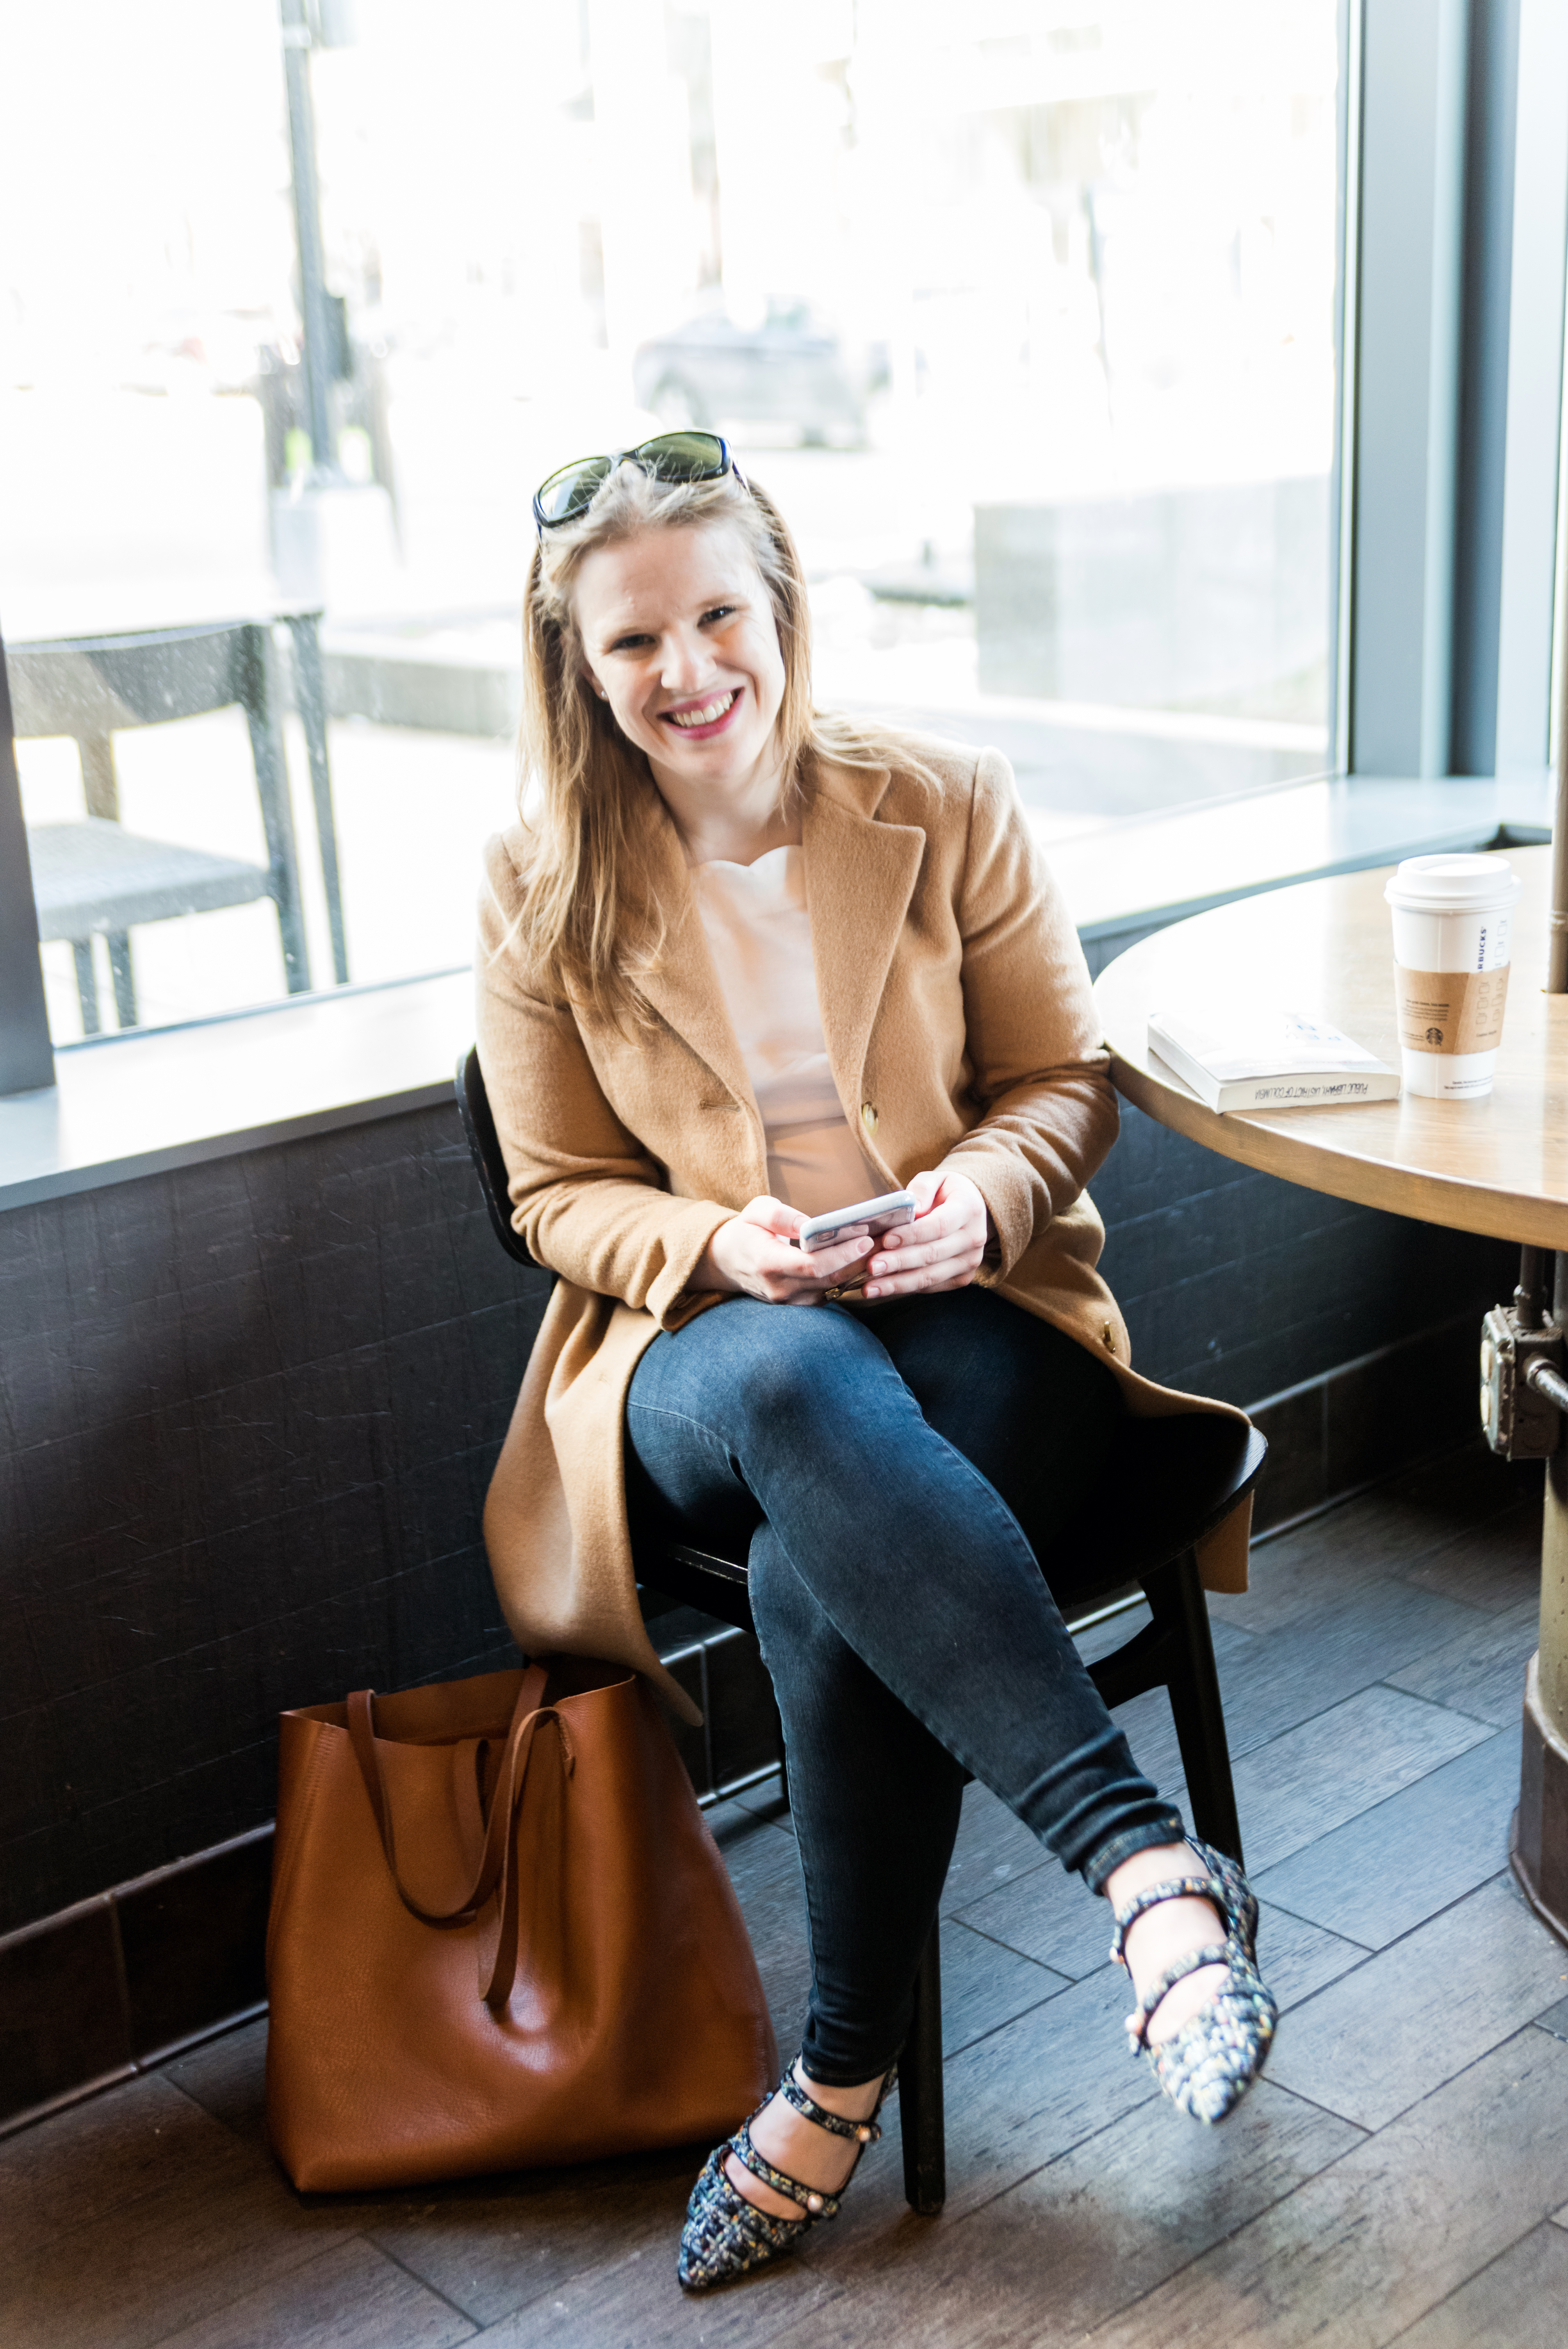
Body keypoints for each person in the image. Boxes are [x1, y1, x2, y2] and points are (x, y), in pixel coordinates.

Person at [476, 432, 1276, 2293]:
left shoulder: (944, 797)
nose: (685, 673)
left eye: (715, 618)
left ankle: (826, 2088)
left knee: (811, 1562)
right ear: (575, 669)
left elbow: (1062, 1085)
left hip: (965, 1325)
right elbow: (549, 1195)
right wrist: (715, 1244)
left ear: (780, 610)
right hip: (697, 1352)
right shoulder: (534, 879)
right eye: (630, 645)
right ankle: (1146, 1876)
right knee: (783, 1386)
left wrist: (978, 1206)